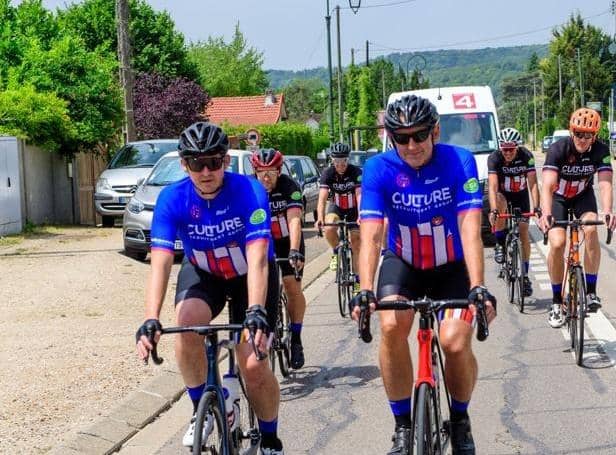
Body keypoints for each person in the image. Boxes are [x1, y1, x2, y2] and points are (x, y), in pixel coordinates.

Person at [351, 94, 496, 455]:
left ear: (435, 131)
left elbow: (469, 227)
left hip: (451, 265)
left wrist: (478, 286)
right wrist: (365, 289)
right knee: (390, 326)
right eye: (402, 138)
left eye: (419, 136)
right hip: (404, 263)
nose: (411, 145)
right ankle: (402, 426)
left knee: (454, 342)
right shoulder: (378, 169)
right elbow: (370, 234)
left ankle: (460, 420)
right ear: (390, 137)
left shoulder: (458, 161)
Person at [134, 122, 285, 455]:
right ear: (183, 164)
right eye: (196, 163)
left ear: (226, 162)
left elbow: (259, 258)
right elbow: (159, 261)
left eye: (213, 162)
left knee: (253, 364)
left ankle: (271, 440)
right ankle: (201, 408)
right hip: (205, 272)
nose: (205, 172)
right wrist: (150, 318)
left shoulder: (249, 191)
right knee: (187, 324)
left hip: (251, 276)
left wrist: (256, 310)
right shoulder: (172, 198)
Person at [539, 108, 616, 328]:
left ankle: (591, 292)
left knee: (591, 230)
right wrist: (546, 214)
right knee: (557, 242)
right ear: (572, 131)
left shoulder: (601, 150)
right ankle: (556, 301)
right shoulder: (558, 149)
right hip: (559, 198)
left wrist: (608, 210)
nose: (583, 139)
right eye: (579, 134)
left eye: (588, 135)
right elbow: (547, 185)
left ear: (595, 135)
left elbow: (605, 183)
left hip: (583, 196)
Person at [251, 148, 308, 369]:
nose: (266, 177)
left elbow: (294, 221)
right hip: (262, 244)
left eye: (271, 172)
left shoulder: (288, 187)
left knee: (292, 286)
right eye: (261, 172)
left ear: (279, 171)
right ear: (255, 172)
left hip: (286, 242)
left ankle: (295, 338)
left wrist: (295, 250)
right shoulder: (249, 189)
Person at [488, 127, 540, 296]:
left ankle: (524, 276)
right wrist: (494, 210)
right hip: (503, 195)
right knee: (500, 205)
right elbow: (493, 185)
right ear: (500, 147)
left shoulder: (526, 156)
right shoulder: (494, 158)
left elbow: (532, 183)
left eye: (511, 149)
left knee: (524, 232)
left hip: (521, 196)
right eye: (505, 149)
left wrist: (537, 207)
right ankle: (500, 244)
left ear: (517, 147)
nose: (508, 153)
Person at [314, 142, 362, 292]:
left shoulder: (356, 172)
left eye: (344, 161)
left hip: (353, 208)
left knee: (356, 242)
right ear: (332, 160)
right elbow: (322, 199)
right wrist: (320, 218)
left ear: (348, 160)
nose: (340, 165)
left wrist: (361, 215)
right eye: (337, 162)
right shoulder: (328, 173)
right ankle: (336, 252)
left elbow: (360, 196)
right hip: (337, 208)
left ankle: (358, 280)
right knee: (329, 227)